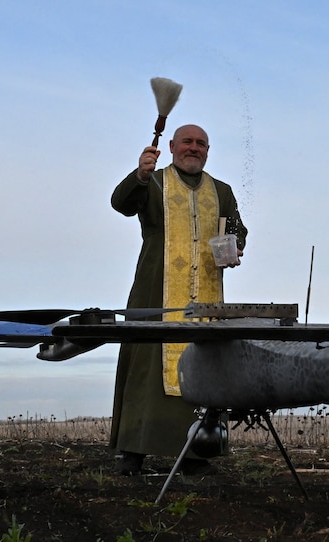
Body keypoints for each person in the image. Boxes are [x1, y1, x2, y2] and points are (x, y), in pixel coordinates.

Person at [109, 123, 248, 475]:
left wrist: (236, 248)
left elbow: (236, 231)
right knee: (146, 367)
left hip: (206, 298)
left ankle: (194, 456)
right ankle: (133, 453)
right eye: (187, 141)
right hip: (155, 291)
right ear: (171, 146)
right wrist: (140, 174)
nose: (194, 147)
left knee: (201, 371)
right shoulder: (153, 181)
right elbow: (121, 204)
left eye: (201, 143)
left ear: (208, 150)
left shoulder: (222, 191)